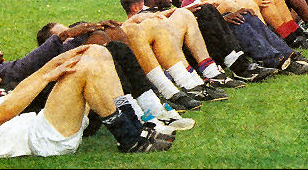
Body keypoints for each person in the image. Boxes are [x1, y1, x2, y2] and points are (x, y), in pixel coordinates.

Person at [0, 43, 171, 159]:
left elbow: (16, 95)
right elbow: (7, 110)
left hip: (44, 127)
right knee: (82, 69)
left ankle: (138, 129)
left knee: (95, 51)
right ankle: (130, 139)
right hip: (43, 139)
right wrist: (50, 75)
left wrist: (55, 62)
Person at [37, 21, 196, 131]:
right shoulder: (49, 65)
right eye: (65, 36)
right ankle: (139, 118)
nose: (70, 37)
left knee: (117, 47)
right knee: (106, 55)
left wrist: (98, 27)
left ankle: (154, 108)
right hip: (86, 114)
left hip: (101, 102)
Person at [141, 0, 280, 82]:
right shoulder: (145, 18)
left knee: (227, 13)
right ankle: (247, 63)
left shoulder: (168, 12)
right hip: (181, 60)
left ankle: (270, 55)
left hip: (198, 51)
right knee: (217, 12)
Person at [211, 0, 308, 72]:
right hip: (215, 39)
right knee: (245, 8)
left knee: (252, 8)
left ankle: (290, 50)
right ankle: (278, 59)